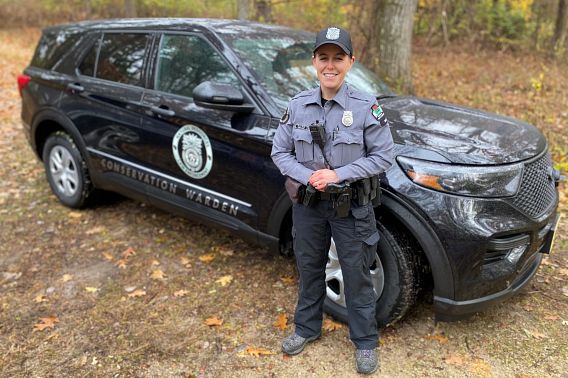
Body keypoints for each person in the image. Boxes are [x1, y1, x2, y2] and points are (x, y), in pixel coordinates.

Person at [271, 26, 394, 374]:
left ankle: (366, 342)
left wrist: (338, 174)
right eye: (323, 57)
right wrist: (308, 174)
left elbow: (384, 156)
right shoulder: (297, 106)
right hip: (308, 205)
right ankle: (307, 329)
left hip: (352, 208)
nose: (330, 65)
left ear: (350, 62)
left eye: (338, 58)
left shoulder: (366, 106)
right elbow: (279, 151)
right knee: (310, 268)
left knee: (357, 274)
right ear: (313, 62)